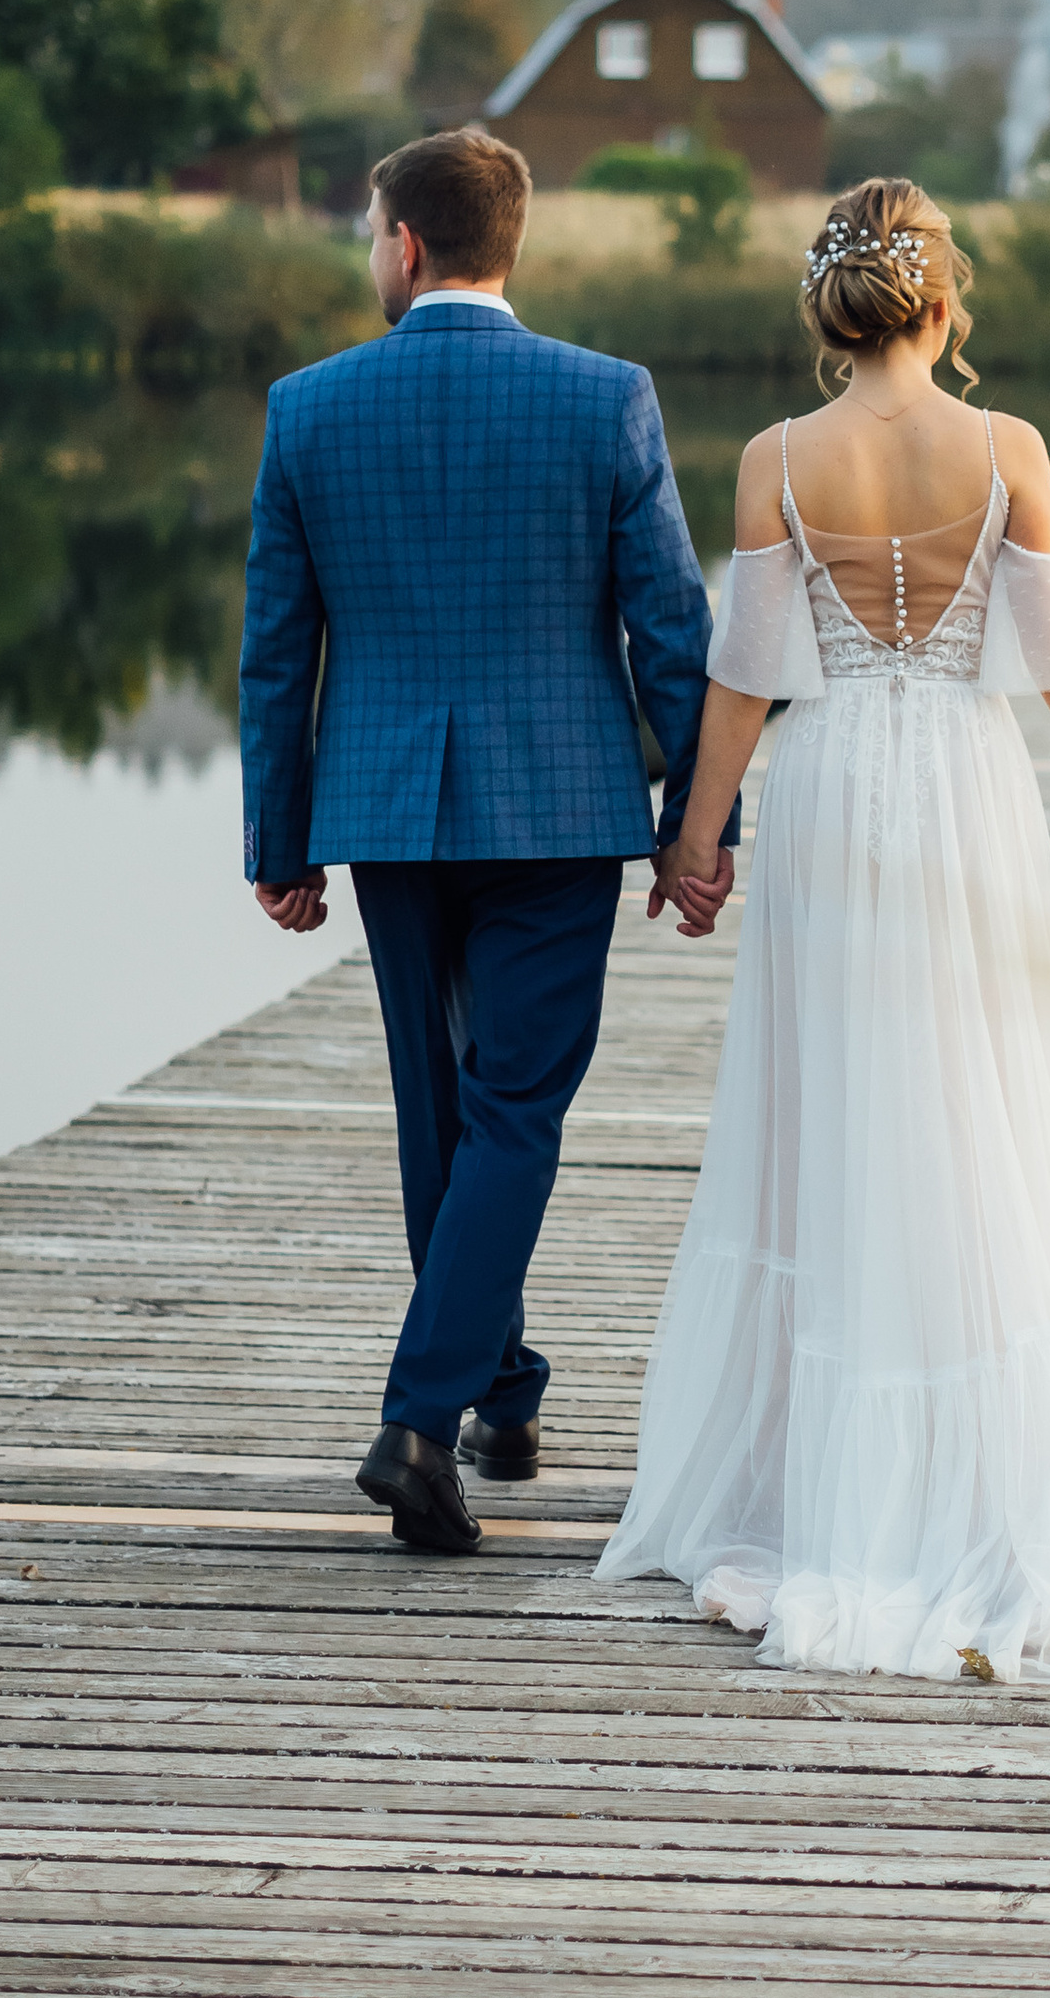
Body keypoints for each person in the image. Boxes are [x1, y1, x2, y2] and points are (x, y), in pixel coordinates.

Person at [598, 175, 1050, 1687]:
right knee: (974, 1099)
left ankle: (816, 1490)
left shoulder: (775, 461)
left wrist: (693, 843)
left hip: (828, 797)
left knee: (833, 1108)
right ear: (945, 302)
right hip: (961, 784)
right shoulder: (1007, 449)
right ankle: (978, 1483)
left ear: (830, 310)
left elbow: (742, 679)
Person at [236, 124, 732, 1557]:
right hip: (559, 805)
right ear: (509, 242)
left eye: (370, 233)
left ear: (404, 243)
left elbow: (278, 653)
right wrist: (697, 825)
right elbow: (671, 632)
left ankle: (495, 1389)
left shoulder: (308, 408)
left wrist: (280, 836)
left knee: (438, 1112)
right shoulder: (606, 399)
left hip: (388, 810)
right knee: (512, 1111)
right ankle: (423, 1416)